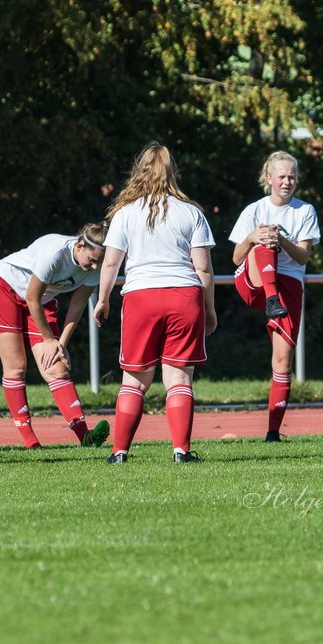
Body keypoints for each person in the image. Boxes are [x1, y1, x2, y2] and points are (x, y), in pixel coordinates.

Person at [94, 143, 217, 463]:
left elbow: (110, 264)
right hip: (184, 296)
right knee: (178, 378)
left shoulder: (125, 213)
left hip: (140, 297)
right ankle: (181, 451)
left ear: (139, 172)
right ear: (173, 173)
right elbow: (203, 268)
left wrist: (103, 299)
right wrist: (209, 308)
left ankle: (119, 451)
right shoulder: (191, 212)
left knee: (134, 380)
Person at [0, 224, 110, 448]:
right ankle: (30, 441)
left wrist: (60, 343)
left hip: (42, 300)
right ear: (79, 246)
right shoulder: (54, 254)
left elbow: (78, 305)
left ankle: (84, 436)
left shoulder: (96, 266)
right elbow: (32, 298)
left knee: (57, 366)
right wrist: (49, 339)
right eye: (91, 260)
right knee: (16, 366)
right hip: (6, 288)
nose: (94, 266)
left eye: (99, 262)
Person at [228, 151, 320, 442]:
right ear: (268, 178)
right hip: (254, 282)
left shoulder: (304, 211)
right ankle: (271, 298)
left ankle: (272, 431)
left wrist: (282, 240)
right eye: (281, 176)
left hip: (288, 284)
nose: (287, 181)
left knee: (282, 361)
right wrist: (255, 237)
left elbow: (304, 257)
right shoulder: (254, 209)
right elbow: (235, 257)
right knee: (263, 241)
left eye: (291, 176)